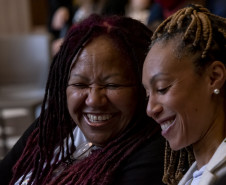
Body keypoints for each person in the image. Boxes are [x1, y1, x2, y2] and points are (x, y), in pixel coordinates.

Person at [0, 14, 166, 185]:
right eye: (80, 84)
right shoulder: (56, 124)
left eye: (112, 85)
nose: (94, 100)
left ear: (144, 86)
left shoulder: (152, 155)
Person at [142, 3, 226, 185]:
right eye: (148, 94)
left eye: (162, 88)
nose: (150, 109)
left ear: (213, 77)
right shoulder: (196, 175)